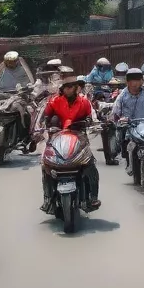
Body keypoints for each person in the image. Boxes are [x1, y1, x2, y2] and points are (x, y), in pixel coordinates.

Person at [40, 73, 101, 213]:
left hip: (78, 138)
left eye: (71, 87)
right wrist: (46, 125)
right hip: (57, 139)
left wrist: (89, 122)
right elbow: (46, 117)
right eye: (66, 87)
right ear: (63, 89)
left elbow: (90, 117)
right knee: (46, 165)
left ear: (76, 88)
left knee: (90, 164)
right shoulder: (54, 101)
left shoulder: (84, 102)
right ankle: (48, 198)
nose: (69, 89)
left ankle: (93, 197)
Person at [112, 68, 144, 174]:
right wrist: (119, 118)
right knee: (121, 137)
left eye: (137, 80)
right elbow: (115, 112)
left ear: (142, 81)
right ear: (127, 82)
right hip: (129, 126)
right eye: (131, 80)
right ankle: (127, 160)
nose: (134, 83)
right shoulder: (122, 96)